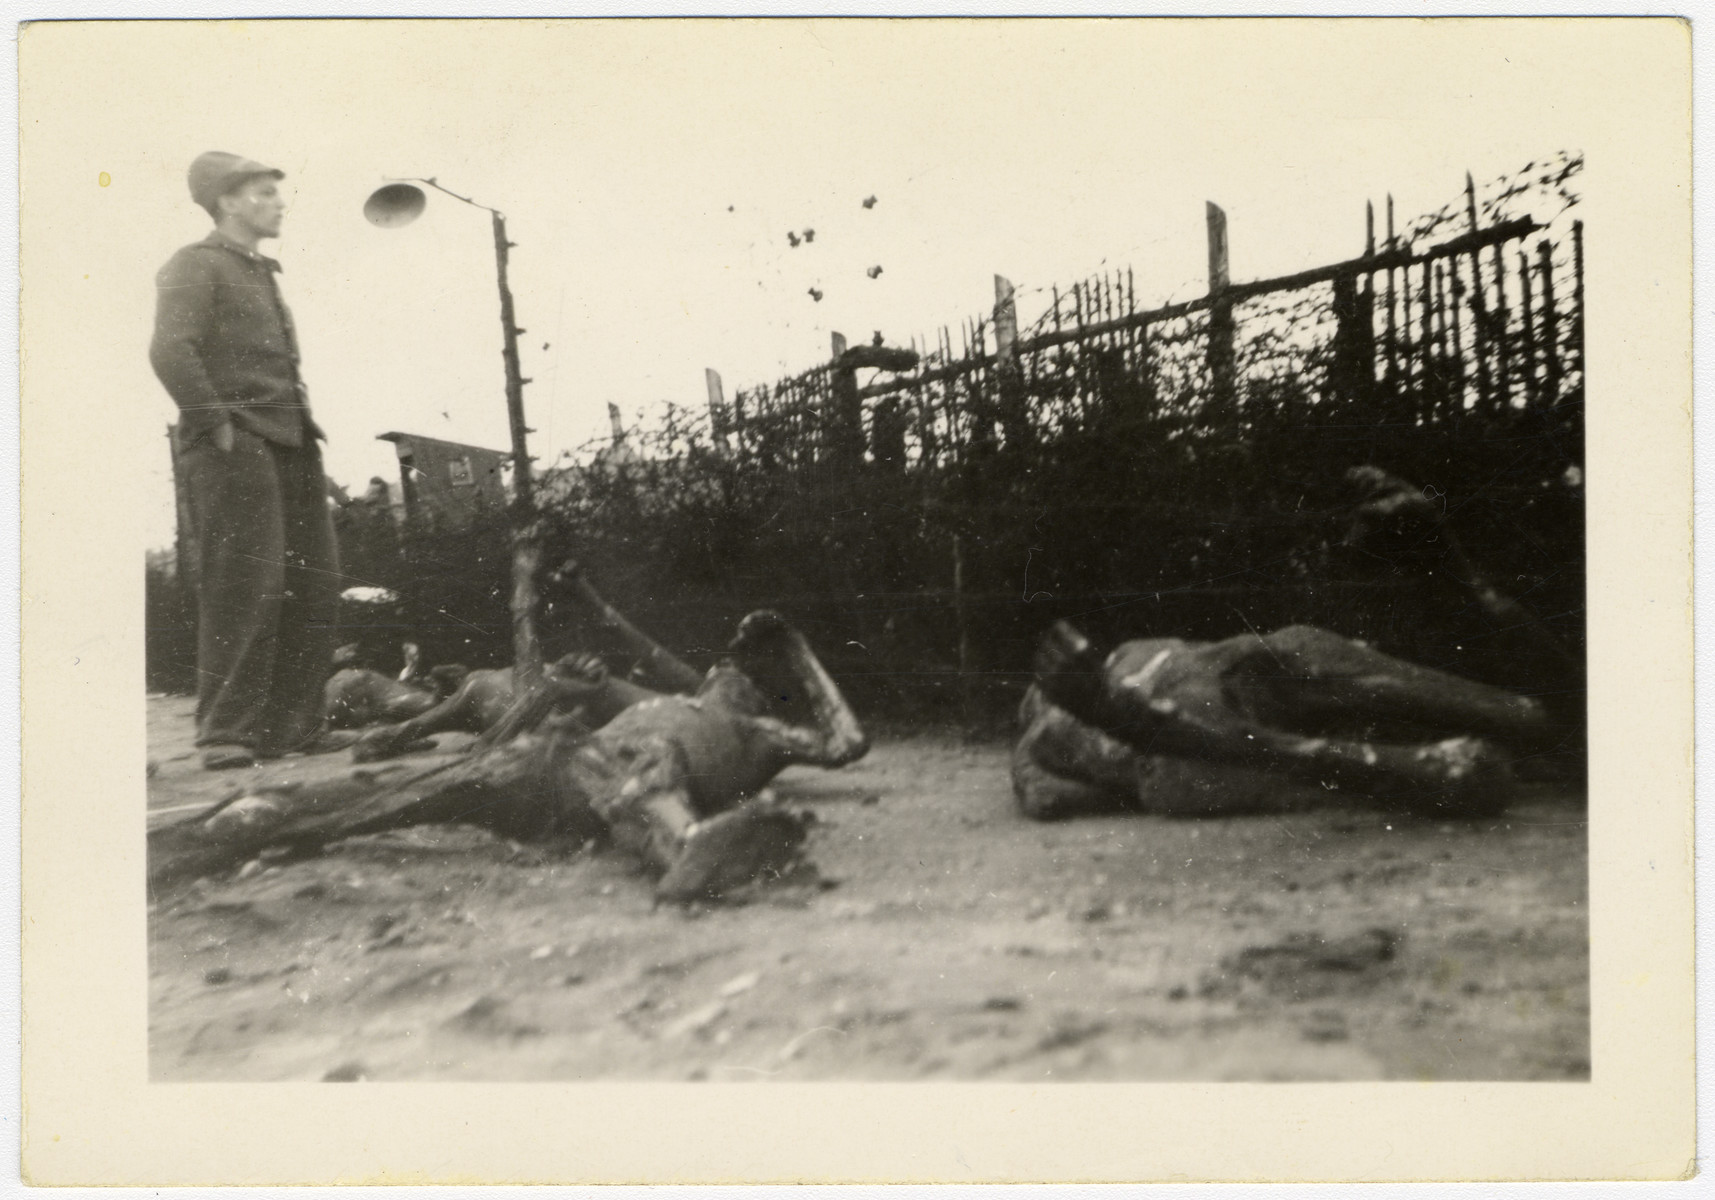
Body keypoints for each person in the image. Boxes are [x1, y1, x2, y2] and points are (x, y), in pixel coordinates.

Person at [151, 151, 352, 769]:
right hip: (236, 444)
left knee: (314, 584)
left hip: (290, 441)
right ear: (228, 201)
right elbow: (170, 351)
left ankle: (293, 727)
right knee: (247, 586)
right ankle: (226, 734)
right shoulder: (195, 264)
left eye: (276, 192)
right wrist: (219, 428)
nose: (278, 202)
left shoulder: (262, 271)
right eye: (264, 193)